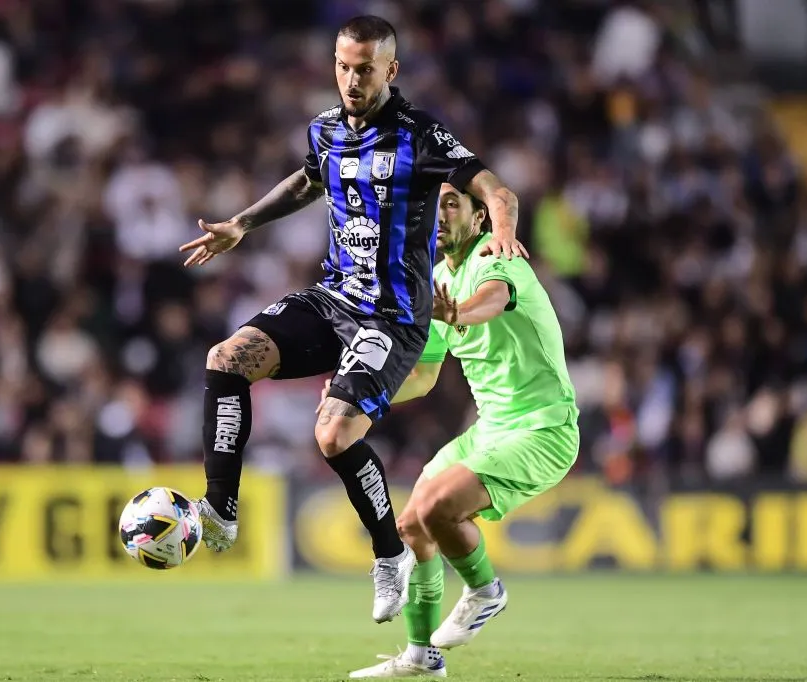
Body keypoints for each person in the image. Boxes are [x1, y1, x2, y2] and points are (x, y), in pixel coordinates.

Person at [178, 16, 526, 624]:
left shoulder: (420, 135)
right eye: (343, 66)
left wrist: (500, 230)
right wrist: (242, 224)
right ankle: (221, 510)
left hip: (392, 317)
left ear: (390, 69)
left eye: (365, 68)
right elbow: (309, 180)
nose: (351, 78)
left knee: (332, 436)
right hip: (334, 299)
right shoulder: (325, 130)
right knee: (224, 360)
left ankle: (388, 553)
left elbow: (498, 189)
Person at [344, 183, 579, 677]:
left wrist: (459, 312)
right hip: (491, 429)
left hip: (543, 429)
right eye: (437, 204)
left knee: (435, 507)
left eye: (454, 202)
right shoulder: (432, 281)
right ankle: (420, 657)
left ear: (478, 220)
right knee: (410, 525)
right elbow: (424, 377)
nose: (442, 212)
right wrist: (358, 395)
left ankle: (486, 591)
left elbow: (492, 300)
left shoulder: (497, 255)